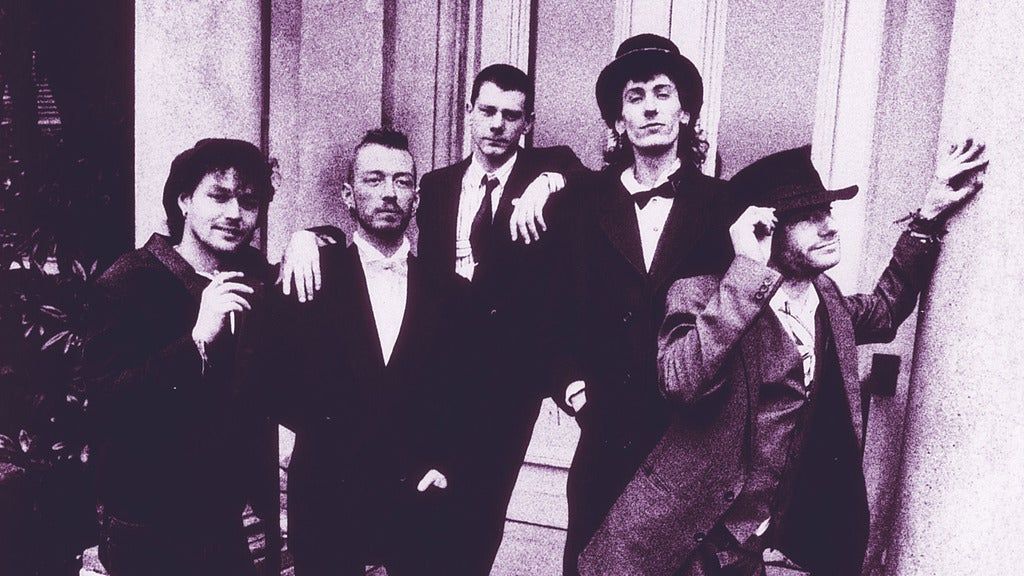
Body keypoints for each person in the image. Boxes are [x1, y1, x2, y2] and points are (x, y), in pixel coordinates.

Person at [579, 141, 988, 576]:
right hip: (669, 547)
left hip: (746, 551)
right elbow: (681, 382)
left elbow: (885, 309)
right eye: (809, 218)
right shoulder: (701, 294)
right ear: (765, 229)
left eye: (827, 212)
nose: (830, 227)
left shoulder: (827, 302)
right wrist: (746, 271)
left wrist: (928, 217)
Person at [280, 64, 585, 574]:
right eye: (487, 111)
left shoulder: (550, 177)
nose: (497, 124)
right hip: (437, 365)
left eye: (512, 116)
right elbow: (377, 226)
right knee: (420, 516)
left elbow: (596, 188)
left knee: (478, 519)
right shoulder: (438, 187)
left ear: (527, 124)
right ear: (468, 113)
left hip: (507, 383)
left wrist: (551, 182)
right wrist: (307, 235)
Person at [541, 34, 738, 576]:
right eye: (635, 96)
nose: (649, 107)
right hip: (603, 436)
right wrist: (571, 388)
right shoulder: (577, 205)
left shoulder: (723, 205)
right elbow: (545, 310)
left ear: (685, 112)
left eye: (662, 93)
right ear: (618, 120)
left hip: (689, 440)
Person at [262, 128, 471, 575]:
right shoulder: (310, 275)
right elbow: (273, 381)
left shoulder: (452, 294)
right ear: (348, 195)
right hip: (327, 504)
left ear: (416, 198)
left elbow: (468, 396)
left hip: (418, 506)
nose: (389, 193)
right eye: (374, 179)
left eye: (402, 181)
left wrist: (446, 465)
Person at [83, 139, 279, 576]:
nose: (235, 213)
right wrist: (196, 343)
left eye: (249, 201)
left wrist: (311, 239)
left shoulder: (251, 275)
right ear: (184, 200)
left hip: (225, 527)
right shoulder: (128, 281)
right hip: (147, 528)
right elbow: (107, 406)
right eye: (218, 196)